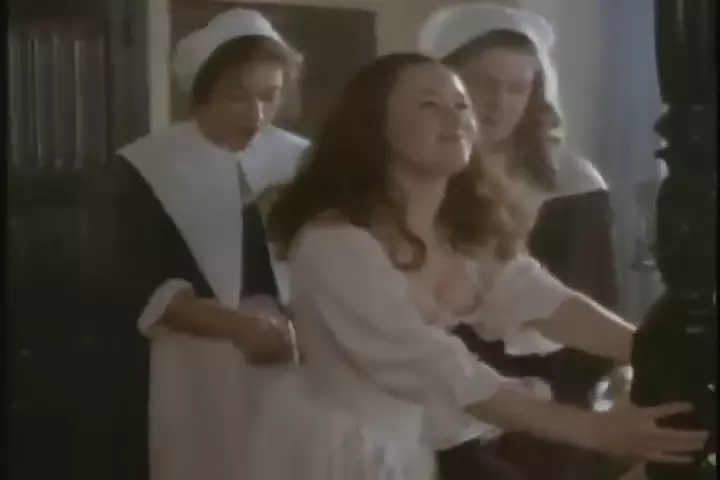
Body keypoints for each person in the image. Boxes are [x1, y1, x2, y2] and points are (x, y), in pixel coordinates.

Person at [243, 52, 707, 480]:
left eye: (461, 105)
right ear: (373, 125)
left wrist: (666, 351)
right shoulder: (333, 243)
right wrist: (595, 430)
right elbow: (431, 364)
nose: (456, 118)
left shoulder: (461, 229)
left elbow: (540, 298)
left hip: (417, 442)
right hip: (345, 451)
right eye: (430, 104)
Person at [419, 4, 624, 478]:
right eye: (483, 84)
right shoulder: (413, 177)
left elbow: (569, 299)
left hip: (547, 411)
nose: (498, 103)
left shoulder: (570, 183)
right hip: (431, 399)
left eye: (517, 88)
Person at [106, 8, 308, 480]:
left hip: (293, 357)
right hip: (195, 362)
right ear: (201, 93)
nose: (256, 115)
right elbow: (137, 283)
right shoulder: (149, 166)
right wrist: (236, 326)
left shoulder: (301, 161)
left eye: (270, 95)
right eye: (236, 95)